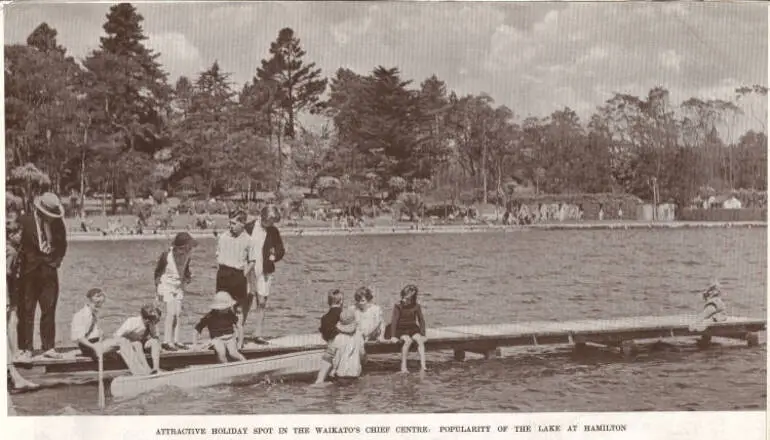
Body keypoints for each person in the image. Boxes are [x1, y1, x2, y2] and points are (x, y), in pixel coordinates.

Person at [17, 192, 68, 360]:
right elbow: (19, 247)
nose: (52, 218)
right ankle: (26, 348)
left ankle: (48, 347)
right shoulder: (25, 221)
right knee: (26, 311)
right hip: (28, 274)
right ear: (40, 211)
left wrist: (55, 262)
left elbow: (62, 245)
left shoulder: (58, 224)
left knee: (49, 309)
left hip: (49, 273)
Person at [6, 214, 38, 391]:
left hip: (10, 292)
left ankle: (14, 356)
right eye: (18, 233)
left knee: (12, 322)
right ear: (11, 235)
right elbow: (7, 273)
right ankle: (15, 355)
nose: (21, 236)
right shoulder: (10, 250)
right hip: (8, 292)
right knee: (11, 322)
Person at [245, 205, 285, 344]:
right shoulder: (249, 227)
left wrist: (275, 256)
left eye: (274, 221)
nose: (272, 223)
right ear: (263, 217)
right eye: (271, 220)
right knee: (246, 301)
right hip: (249, 269)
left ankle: (258, 333)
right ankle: (239, 331)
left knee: (261, 302)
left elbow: (281, 249)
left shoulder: (273, 231)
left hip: (265, 270)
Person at [154, 232, 197, 351]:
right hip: (165, 285)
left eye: (188, 248)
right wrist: (157, 290)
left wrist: (188, 277)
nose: (186, 251)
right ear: (178, 247)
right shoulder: (166, 256)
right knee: (171, 313)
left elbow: (185, 270)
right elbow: (157, 272)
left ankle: (176, 340)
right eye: (183, 249)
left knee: (178, 313)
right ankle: (167, 341)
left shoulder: (188, 256)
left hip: (178, 286)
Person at [216, 210, 257, 329]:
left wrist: (243, 274)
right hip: (224, 273)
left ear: (242, 224)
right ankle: (222, 335)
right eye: (230, 223)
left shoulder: (249, 240)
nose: (230, 226)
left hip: (238, 273)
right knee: (222, 306)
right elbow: (218, 255)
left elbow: (252, 261)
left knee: (238, 308)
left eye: (233, 223)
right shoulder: (223, 237)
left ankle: (237, 337)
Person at [314, 309, 365, 385]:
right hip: (355, 376)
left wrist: (319, 380)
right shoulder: (359, 336)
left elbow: (327, 359)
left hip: (340, 377)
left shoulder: (337, 339)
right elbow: (362, 355)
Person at [193, 291, 246, 363]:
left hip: (230, 338)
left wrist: (240, 342)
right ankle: (225, 367)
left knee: (233, 353)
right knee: (222, 354)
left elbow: (239, 327)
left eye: (228, 307)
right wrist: (195, 344)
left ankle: (245, 363)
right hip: (217, 339)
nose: (229, 308)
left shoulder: (230, 314)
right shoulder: (210, 316)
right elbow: (197, 329)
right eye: (226, 307)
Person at [387, 284, 428, 373]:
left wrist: (423, 334)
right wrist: (393, 336)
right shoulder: (398, 306)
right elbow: (394, 321)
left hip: (412, 328)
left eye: (407, 299)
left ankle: (423, 365)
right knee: (408, 341)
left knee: (419, 340)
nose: (404, 300)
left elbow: (421, 320)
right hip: (400, 329)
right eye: (404, 297)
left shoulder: (416, 306)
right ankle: (403, 367)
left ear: (413, 299)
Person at [113, 305, 162, 375]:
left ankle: (156, 368)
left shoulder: (151, 324)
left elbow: (155, 337)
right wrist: (130, 337)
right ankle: (147, 369)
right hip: (128, 345)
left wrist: (157, 343)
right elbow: (117, 336)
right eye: (154, 320)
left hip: (141, 343)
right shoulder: (132, 321)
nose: (155, 322)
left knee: (154, 342)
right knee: (137, 344)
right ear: (147, 319)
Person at [70, 288, 109, 360]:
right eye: (96, 304)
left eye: (100, 304)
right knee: (119, 342)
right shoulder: (81, 315)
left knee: (121, 341)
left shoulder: (93, 314)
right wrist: (94, 346)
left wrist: (101, 336)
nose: (99, 307)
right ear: (89, 301)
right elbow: (80, 338)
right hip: (88, 346)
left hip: (96, 343)